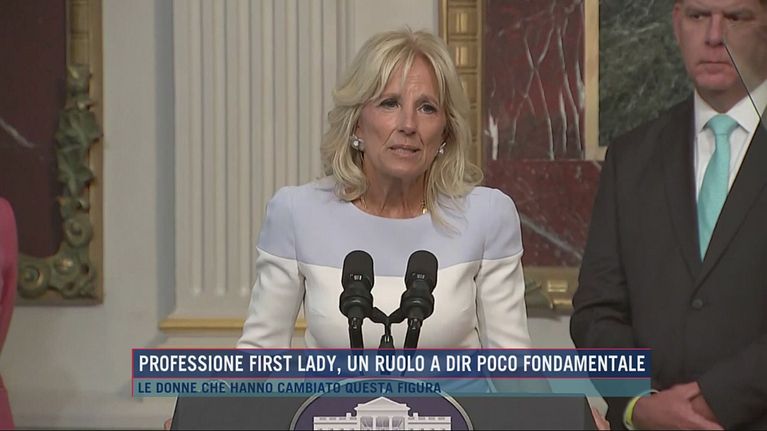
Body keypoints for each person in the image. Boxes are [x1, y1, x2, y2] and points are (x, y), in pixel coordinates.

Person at [237, 29, 531, 351]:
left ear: (445, 133)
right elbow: (257, 360)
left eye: (427, 108)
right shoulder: (296, 213)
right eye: (390, 103)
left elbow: (513, 367)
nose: (408, 125)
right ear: (357, 124)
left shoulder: (487, 217)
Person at [570, 0, 767, 429]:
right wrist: (639, 401)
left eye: (735, 17)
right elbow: (596, 311)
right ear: (677, 25)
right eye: (698, 16)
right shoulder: (632, 156)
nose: (714, 36)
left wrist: (710, 403)